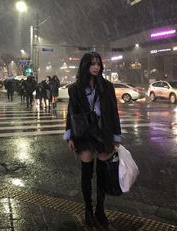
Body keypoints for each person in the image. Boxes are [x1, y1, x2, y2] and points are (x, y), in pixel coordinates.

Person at [63, 52, 122, 227]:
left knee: (103, 174)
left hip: (102, 134)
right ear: (85, 66)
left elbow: (113, 112)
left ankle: (100, 210)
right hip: (84, 134)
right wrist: (70, 135)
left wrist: (116, 135)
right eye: (92, 64)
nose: (96, 67)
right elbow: (71, 113)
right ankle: (88, 210)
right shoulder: (75, 88)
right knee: (87, 174)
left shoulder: (107, 86)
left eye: (98, 64)